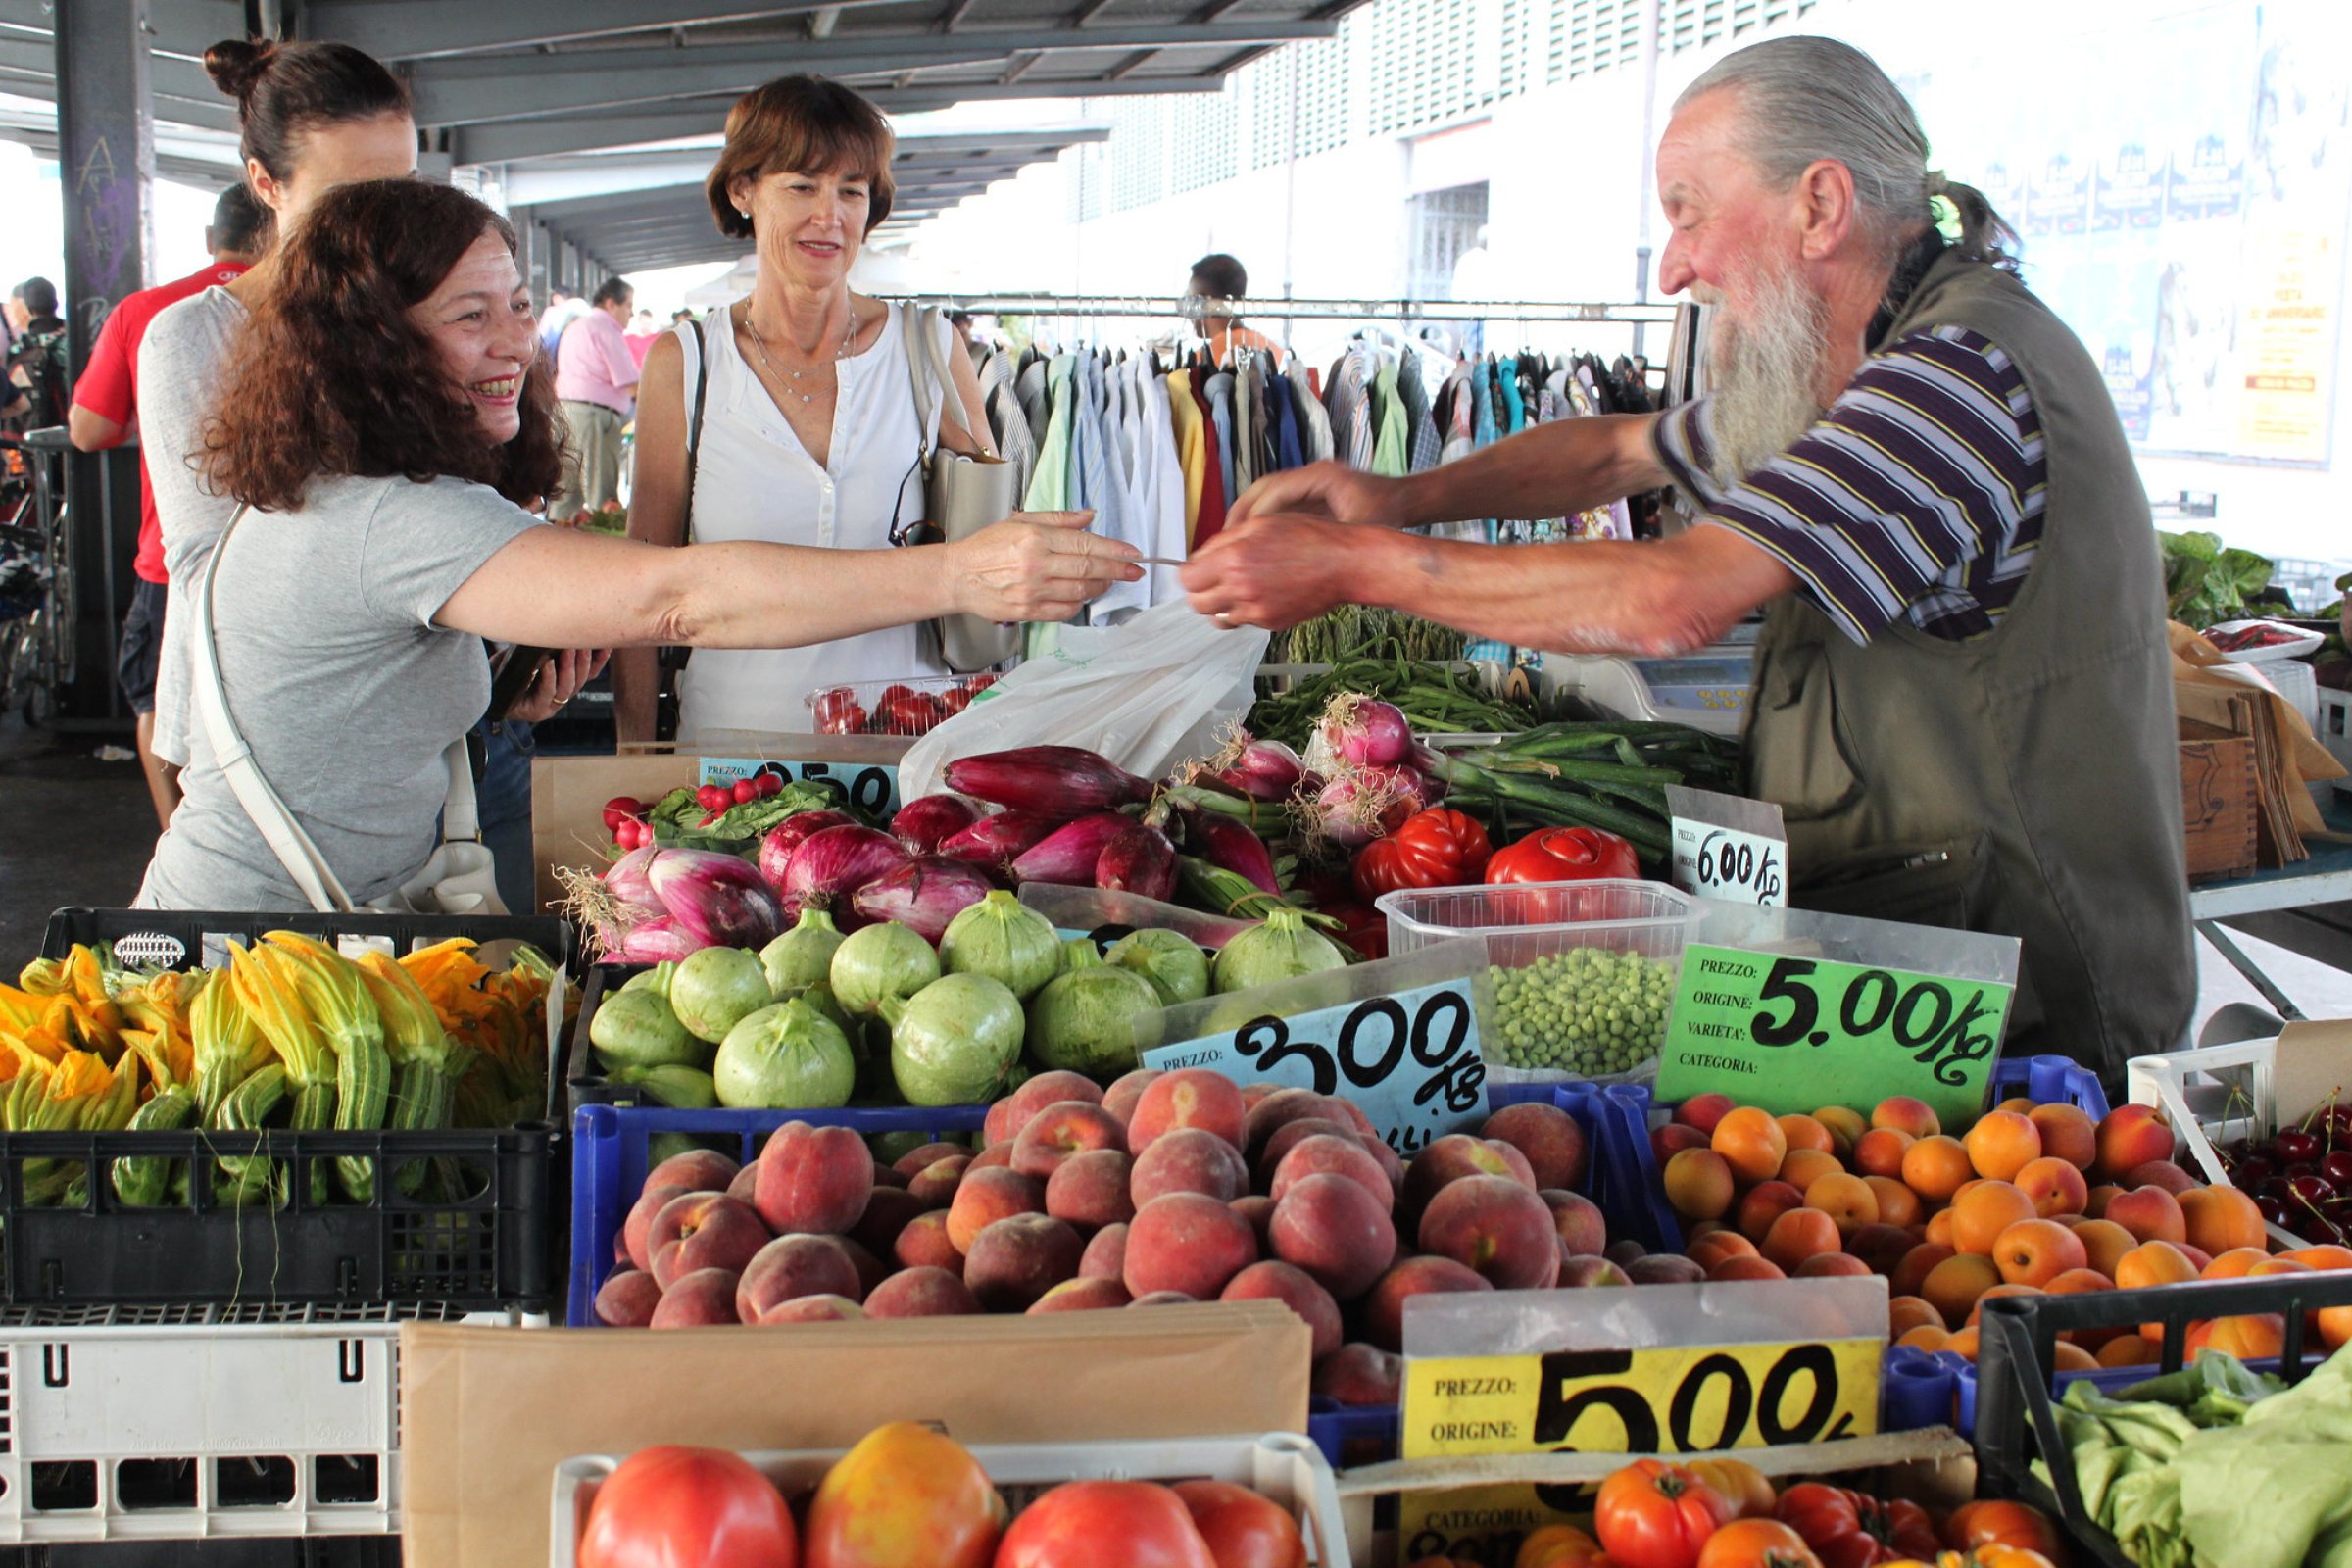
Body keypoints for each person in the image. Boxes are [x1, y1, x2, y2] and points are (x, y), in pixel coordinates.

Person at [1184, 35, 2192, 1080]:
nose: (1674, 265)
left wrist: (1358, 563)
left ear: (1820, 204)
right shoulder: (1850, 374)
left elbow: (1675, 599)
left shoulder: (1955, 383)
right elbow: (1623, 449)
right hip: (1915, 962)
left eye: (1689, 211)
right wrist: (1404, 496)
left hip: (2024, 1012)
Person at [134, 179, 1135, 910]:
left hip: (314, 934)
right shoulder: (388, 521)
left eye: (518, 306)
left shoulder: (354, 495)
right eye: (467, 316)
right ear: (371, 347)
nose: (514, 343)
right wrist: (961, 570)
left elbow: (347, 719)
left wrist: (500, 700)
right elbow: (678, 599)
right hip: (248, 958)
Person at [139, 37, 584, 916]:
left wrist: (504, 654)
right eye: (351, 195)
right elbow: (213, 561)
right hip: (281, 749)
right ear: (266, 185)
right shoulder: (192, 337)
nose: (389, 218)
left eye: (409, 186)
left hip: (440, 717)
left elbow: (467, 519)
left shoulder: (437, 317)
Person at [614, 75, 1004, 745]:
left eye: (851, 191)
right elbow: (639, 592)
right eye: (801, 186)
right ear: (744, 190)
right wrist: (634, 753)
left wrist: (972, 466)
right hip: (732, 758)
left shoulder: (930, 349)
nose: (830, 216)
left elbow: (998, 556)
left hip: (905, 747)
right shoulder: (689, 364)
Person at [69, 182, 268, 830]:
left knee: (160, 699)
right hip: (287, 557)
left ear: (211, 241)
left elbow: (87, 430)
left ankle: (181, 846)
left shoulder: (147, 312)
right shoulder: (314, 312)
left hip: (172, 558)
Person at [552, 276, 640, 518]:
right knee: (602, 496)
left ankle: (559, 546)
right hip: (594, 417)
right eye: (629, 305)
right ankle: (605, 551)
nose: (631, 314)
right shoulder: (606, 330)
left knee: (566, 494)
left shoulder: (578, 326)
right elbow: (630, 383)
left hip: (565, 411)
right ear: (611, 304)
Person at [3, 276, 68, 432]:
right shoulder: (73, 343)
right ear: (56, 304)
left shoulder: (16, 350)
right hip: (71, 434)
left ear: (28, 309)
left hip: (28, 439)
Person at [1186, 254, 1278, 361]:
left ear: (1206, 302)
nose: (1189, 314)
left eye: (1191, 300)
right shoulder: (1275, 352)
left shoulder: (1202, 359)